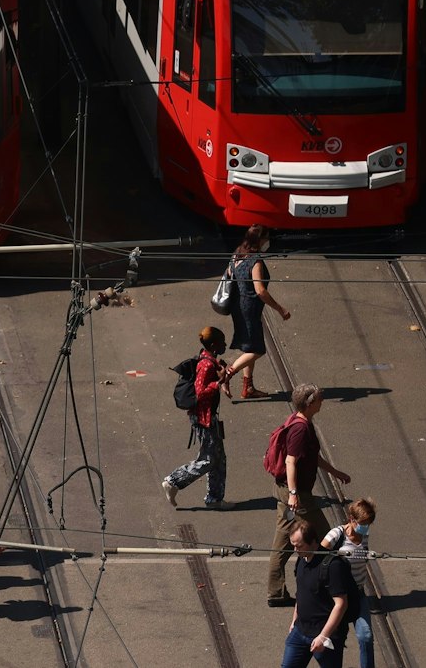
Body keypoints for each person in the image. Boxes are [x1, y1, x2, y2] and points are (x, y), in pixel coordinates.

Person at [268, 384, 352, 606]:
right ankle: (329, 588)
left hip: (288, 493)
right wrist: (294, 494)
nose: (322, 401)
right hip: (297, 495)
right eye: (319, 399)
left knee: (283, 541)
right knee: (326, 538)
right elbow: (290, 462)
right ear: (309, 403)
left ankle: (276, 592)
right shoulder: (300, 429)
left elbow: (312, 456)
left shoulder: (300, 422)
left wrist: (335, 472)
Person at [162, 325, 233, 509]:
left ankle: (215, 499)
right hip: (204, 419)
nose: (225, 345)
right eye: (222, 342)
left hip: (209, 418)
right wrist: (217, 383)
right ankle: (174, 481)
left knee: (219, 459)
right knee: (208, 460)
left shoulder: (209, 359)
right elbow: (199, 392)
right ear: (214, 345)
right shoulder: (206, 364)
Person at [226, 224, 289, 399]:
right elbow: (260, 291)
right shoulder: (255, 261)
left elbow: (230, 274)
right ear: (260, 240)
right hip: (250, 308)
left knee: (250, 347)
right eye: (267, 238)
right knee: (258, 350)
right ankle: (227, 374)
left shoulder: (237, 253)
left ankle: (248, 388)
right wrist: (280, 309)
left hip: (238, 306)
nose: (268, 241)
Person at [284, 518, 357, 668]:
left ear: (313, 542)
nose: (295, 550)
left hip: (325, 635)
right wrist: (294, 621)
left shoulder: (332, 566)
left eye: (299, 546)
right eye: (293, 546)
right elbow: (301, 593)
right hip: (300, 630)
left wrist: (323, 637)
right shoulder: (302, 559)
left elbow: (341, 604)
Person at [320, 500, 377, 668]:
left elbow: (361, 556)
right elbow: (319, 559)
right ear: (351, 519)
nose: (366, 527)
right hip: (337, 596)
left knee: (366, 636)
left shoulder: (365, 535)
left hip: (357, 594)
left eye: (368, 524)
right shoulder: (336, 535)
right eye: (363, 523)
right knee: (333, 639)